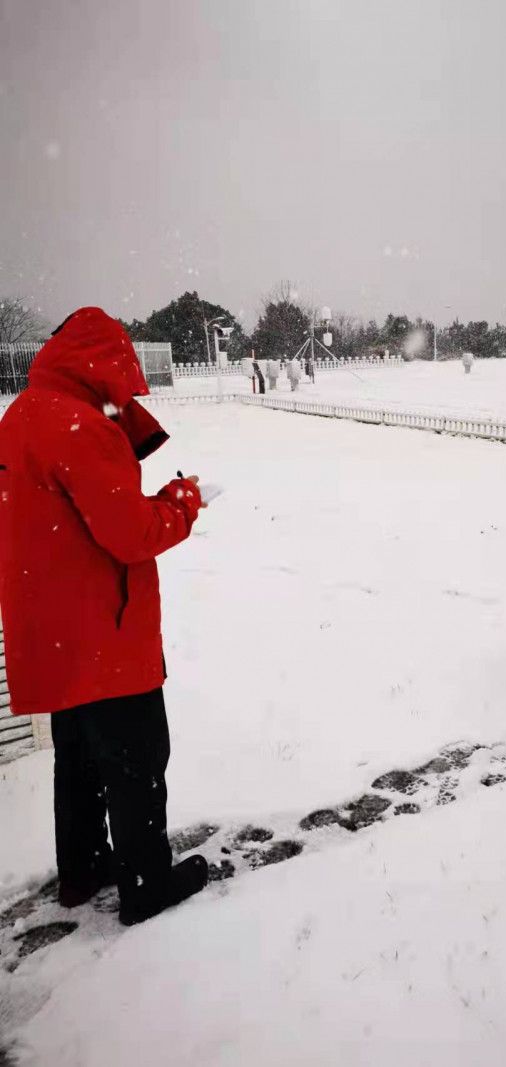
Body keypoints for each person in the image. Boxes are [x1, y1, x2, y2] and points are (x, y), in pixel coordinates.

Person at [0, 307, 210, 925]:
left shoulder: (23, 415)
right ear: (110, 364)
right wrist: (183, 500)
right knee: (138, 759)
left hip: (57, 630)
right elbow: (132, 533)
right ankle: (146, 884)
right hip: (104, 633)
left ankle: (85, 869)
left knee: (81, 762)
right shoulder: (79, 426)